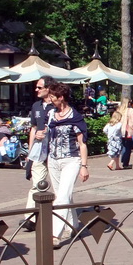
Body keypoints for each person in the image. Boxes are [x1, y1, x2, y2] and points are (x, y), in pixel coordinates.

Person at [45, 82, 89, 247]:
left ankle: (55, 234)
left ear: (61, 97)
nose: (50, 99)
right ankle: (74, 225)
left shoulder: (75, 117)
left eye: (52, 96)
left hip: (71, 159)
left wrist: (84, 166)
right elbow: (46, 133)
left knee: (63, 196)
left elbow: (82, 143)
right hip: (53, 160)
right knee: (62, 195)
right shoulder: (50, 114)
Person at [22, 76, 54, 230]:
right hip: (39, 151)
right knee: (37, 184)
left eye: (39, 87)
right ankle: (30, 218)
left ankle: (62, 221)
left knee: (58, 187)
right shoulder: (36, 106)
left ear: (48, 88)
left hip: (55, 151)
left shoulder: (58, 105)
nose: (36, 90)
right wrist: (30, 151)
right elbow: (33, 128)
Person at [119, 100, 133, 169]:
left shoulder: (120, 110)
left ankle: (123, 160)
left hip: (121, 130)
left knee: (123, 146)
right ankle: (125, 163)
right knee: (128, 147)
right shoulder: (131, 111)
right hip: (128, 131)